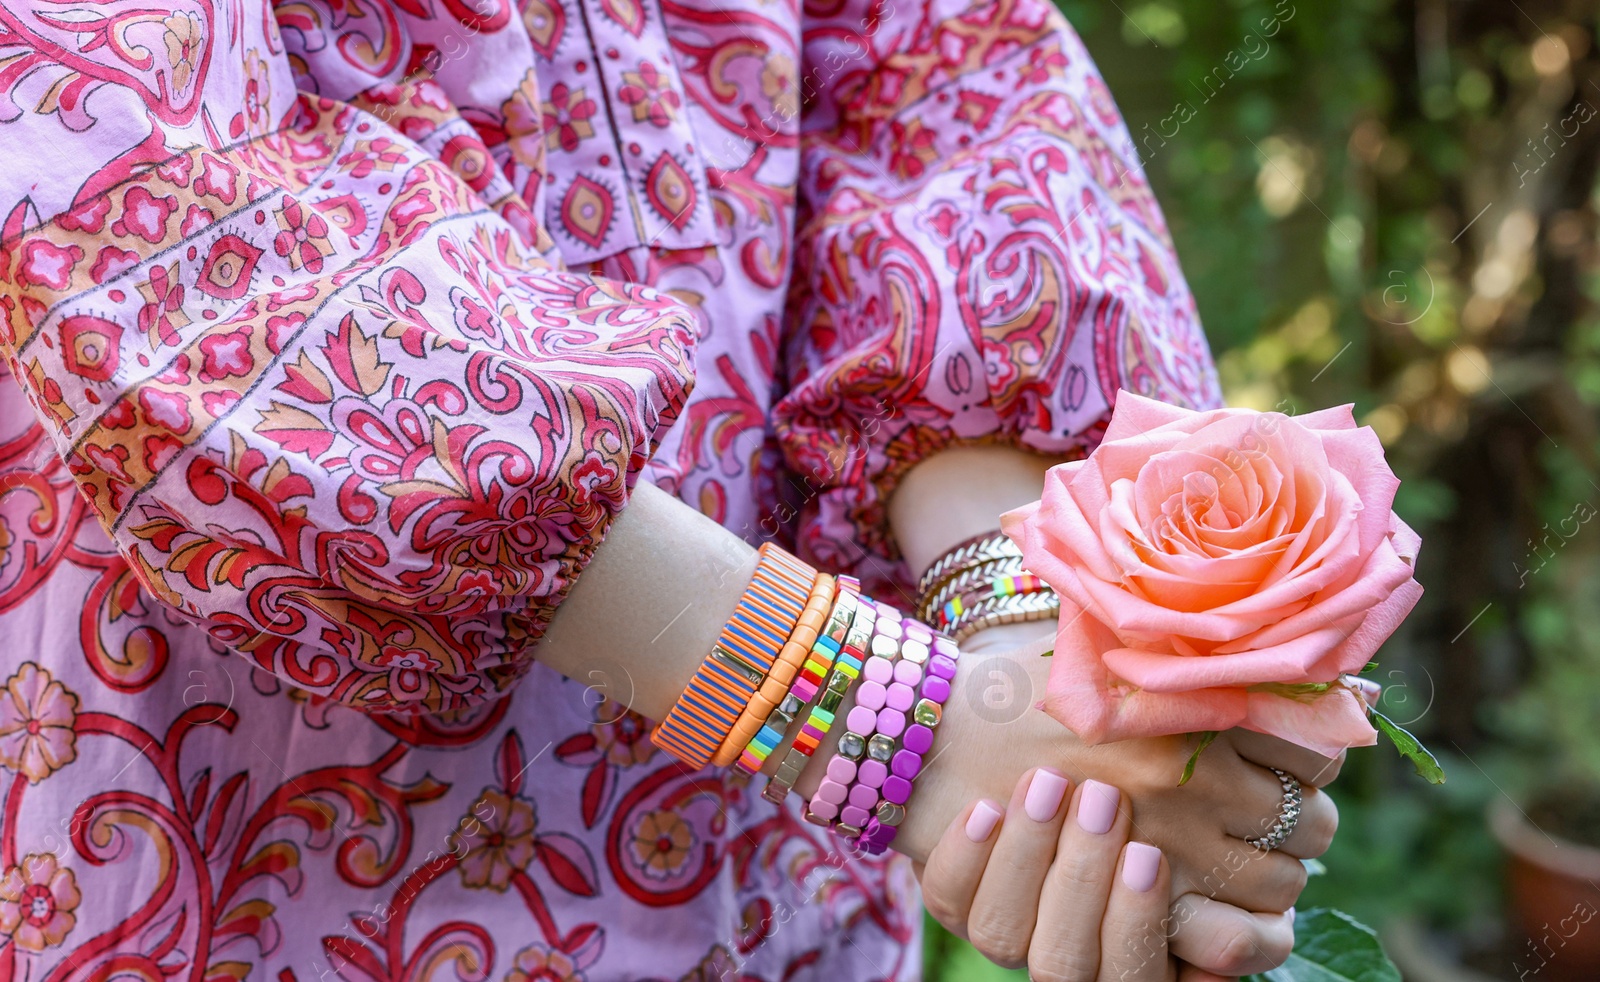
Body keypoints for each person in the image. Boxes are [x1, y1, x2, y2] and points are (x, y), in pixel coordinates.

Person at [0, 0, 1337, 978]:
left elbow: (931, 92)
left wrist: (1028, 654)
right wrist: (903, 729)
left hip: (773, 896)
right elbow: (174, 247)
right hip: (253, 883)